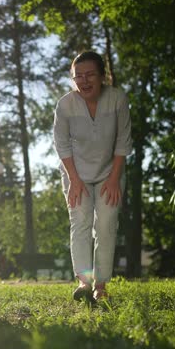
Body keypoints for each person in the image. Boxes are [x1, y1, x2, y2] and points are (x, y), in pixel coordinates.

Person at [52, 51, 132, 302]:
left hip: (111, 172)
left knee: (107, 224)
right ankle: (84, 282)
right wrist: (74, 180)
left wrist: (114, 179)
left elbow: (123, 141)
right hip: (76, 174)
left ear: (103, 76)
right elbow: (61, 144)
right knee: (81, 221)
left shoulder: (117, 99)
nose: (84, 82)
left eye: (90, 75)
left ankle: (101, 286)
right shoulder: (65, 105)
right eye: (78, 77)